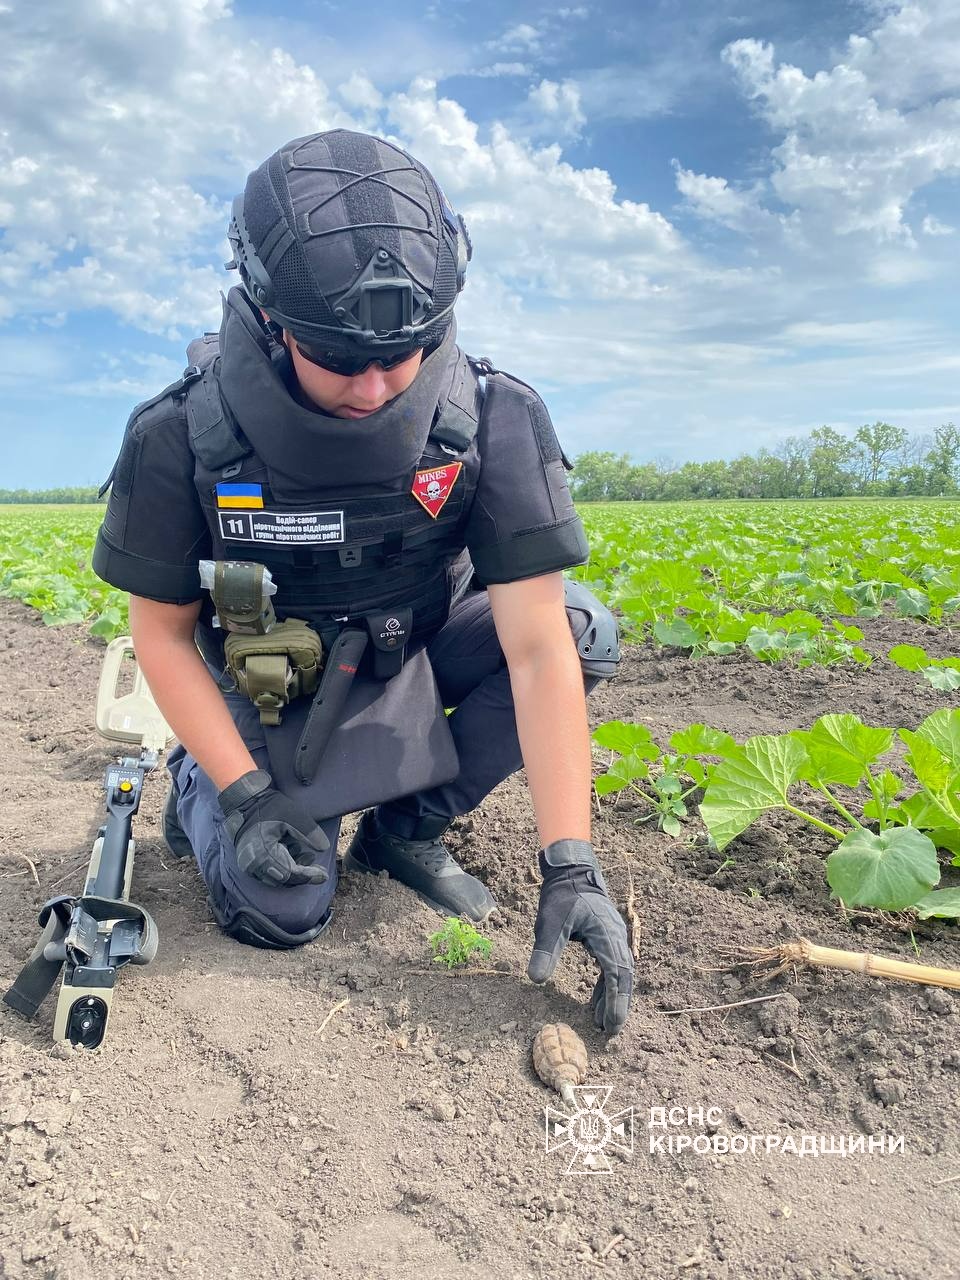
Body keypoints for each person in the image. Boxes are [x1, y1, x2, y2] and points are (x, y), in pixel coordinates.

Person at [92, 129, 634, 1033]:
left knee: (583, 631)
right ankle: (197, 787)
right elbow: (162, 635)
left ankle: (405, 830)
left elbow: (537, 651)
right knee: (284, 912)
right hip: (278, 683)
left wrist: (571, 864)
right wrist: (246, 796)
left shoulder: (493, 415)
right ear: (271, 318)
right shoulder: (181, 434)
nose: (378, 386)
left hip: (419, 641)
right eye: (343, 359)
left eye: (406, 354)